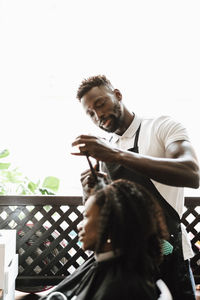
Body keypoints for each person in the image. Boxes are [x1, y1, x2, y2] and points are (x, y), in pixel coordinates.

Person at [71, 75, 200, 300]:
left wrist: (117, 155)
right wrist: (89, 192)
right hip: (126, 264)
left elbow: (192, 174)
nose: (98, 115)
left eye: (100, 104)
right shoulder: (106, 151)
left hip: (169, 254)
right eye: (90, 113)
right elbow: (110, 214)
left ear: (118, 95)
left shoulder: (162, 126)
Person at [40, 179, 172, 300]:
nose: (79, 225)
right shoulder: (112, 265)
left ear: (110, 226)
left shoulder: (119, 289)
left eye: (86, 216)